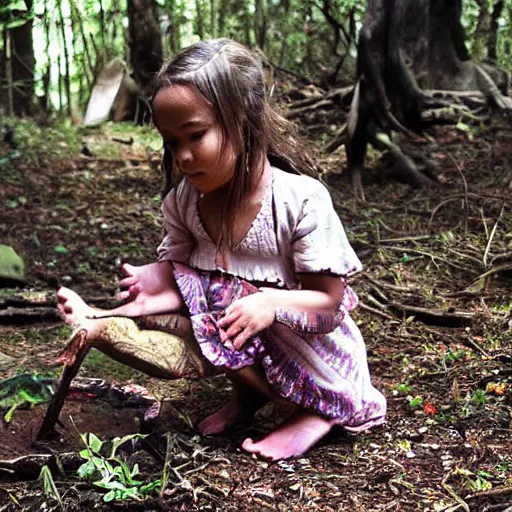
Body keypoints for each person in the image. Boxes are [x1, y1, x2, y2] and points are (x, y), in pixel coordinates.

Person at [57, 38, 386, 461]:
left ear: (243, 122)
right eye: (172, 142)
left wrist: (270, 303)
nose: (184, 156)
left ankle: (314, 412)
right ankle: (105, 321)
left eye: (195, 135)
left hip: (319, 357)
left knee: (231, 296)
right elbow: (179, 272)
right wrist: (147, 279)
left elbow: (328, 300)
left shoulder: (299, 200)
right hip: (246, 333)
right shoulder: (185, 201)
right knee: (206, 292)